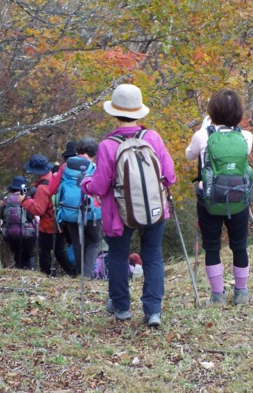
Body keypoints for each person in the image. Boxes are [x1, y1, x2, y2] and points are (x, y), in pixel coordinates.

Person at [80, 83, 177, 327]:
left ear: (113, 112)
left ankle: (121, 307)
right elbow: (170, 176)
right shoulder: (152, 138)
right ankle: (153, 311)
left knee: (118, 256)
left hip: (117, 213)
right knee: (153, 255)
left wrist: (86, 184)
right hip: (154, 209)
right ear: (138, 112)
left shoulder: (107, 145)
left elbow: (100, 187)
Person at [185, 88, 253, 305]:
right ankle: (241, 293)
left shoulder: (202, 135)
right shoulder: (246, 136)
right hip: (238, 197)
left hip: (209, 198)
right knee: (239, 244)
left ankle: (217, 296)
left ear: (212, 111)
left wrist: (203, 131)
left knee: (212, 246)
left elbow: (189, 156)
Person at [50, 137, 102, 279]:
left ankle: (79, 275)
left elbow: (52, 189)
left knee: (77, 243)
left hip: (70, 211)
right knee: (94, 242)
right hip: (91, 213)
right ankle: (88, 275)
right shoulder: (95, 168)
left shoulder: (65, 166)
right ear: (94, 153)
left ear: (77, 150)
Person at [19, 153, 77, 277]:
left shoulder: (42, 188)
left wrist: (24, 201)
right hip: (61, 222)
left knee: (44, 253)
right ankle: (74, 273)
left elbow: (38, 210)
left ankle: (47, 276)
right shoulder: (55, 179)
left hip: (48, 226)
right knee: (60, 252)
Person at [0, 176, 37, 270]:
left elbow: (2, 217)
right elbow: (32, 216)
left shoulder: (6, 201)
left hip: (11, 233)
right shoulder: (27, 199)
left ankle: (19, 273)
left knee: (17, 255)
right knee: (29, 254)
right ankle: (31, 272)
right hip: (27, 232)